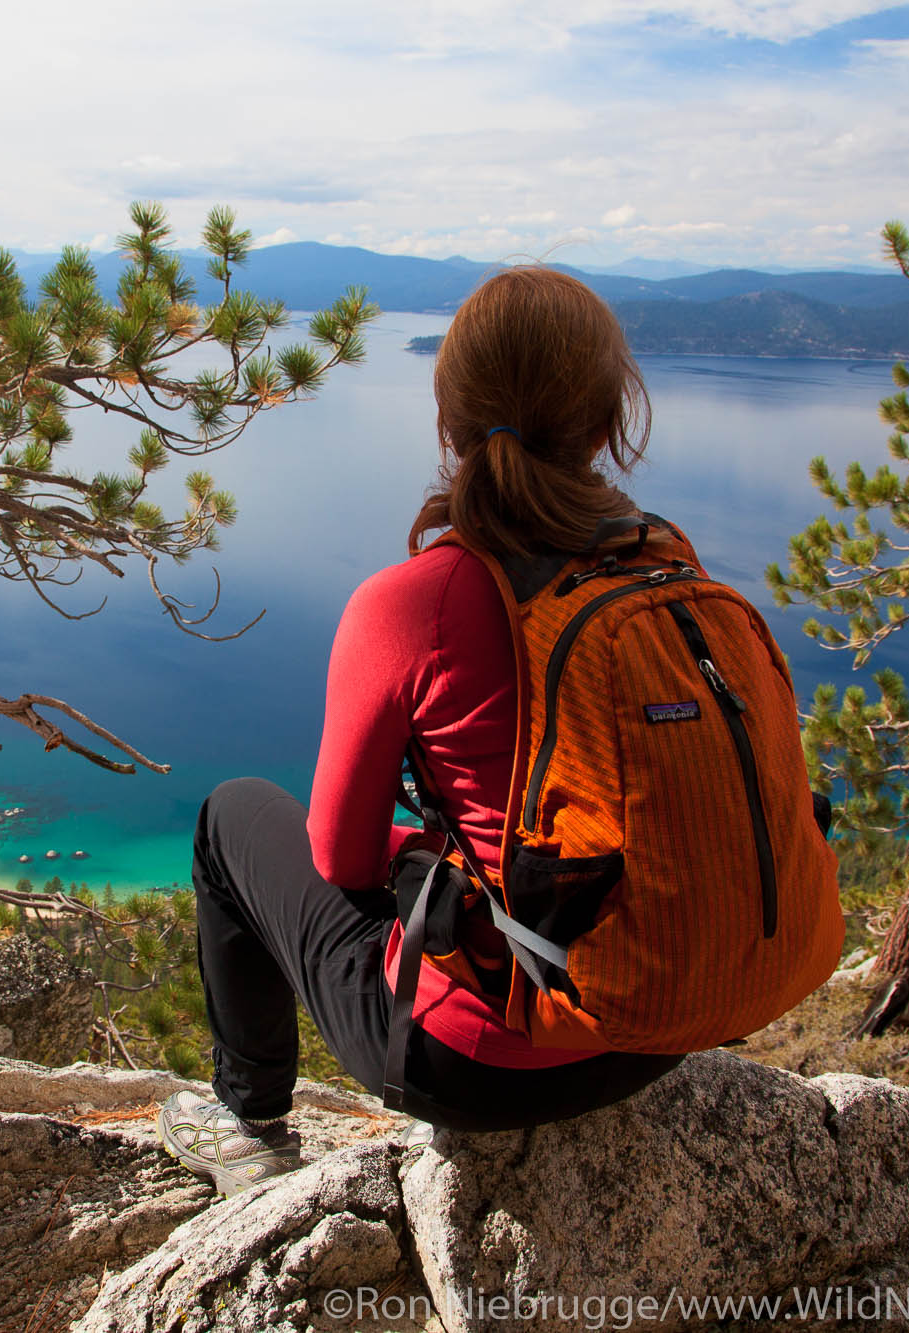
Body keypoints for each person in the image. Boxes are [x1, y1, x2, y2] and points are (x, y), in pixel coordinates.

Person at [158, 267, 687, 1198]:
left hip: (482, 1064)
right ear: (609, 423)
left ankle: (249, 1118)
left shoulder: (418, 601)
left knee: (231, 815)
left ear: (450, 425)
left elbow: (344, 863)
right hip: (662, 1028)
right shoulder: (665, 566)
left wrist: (422, 849)